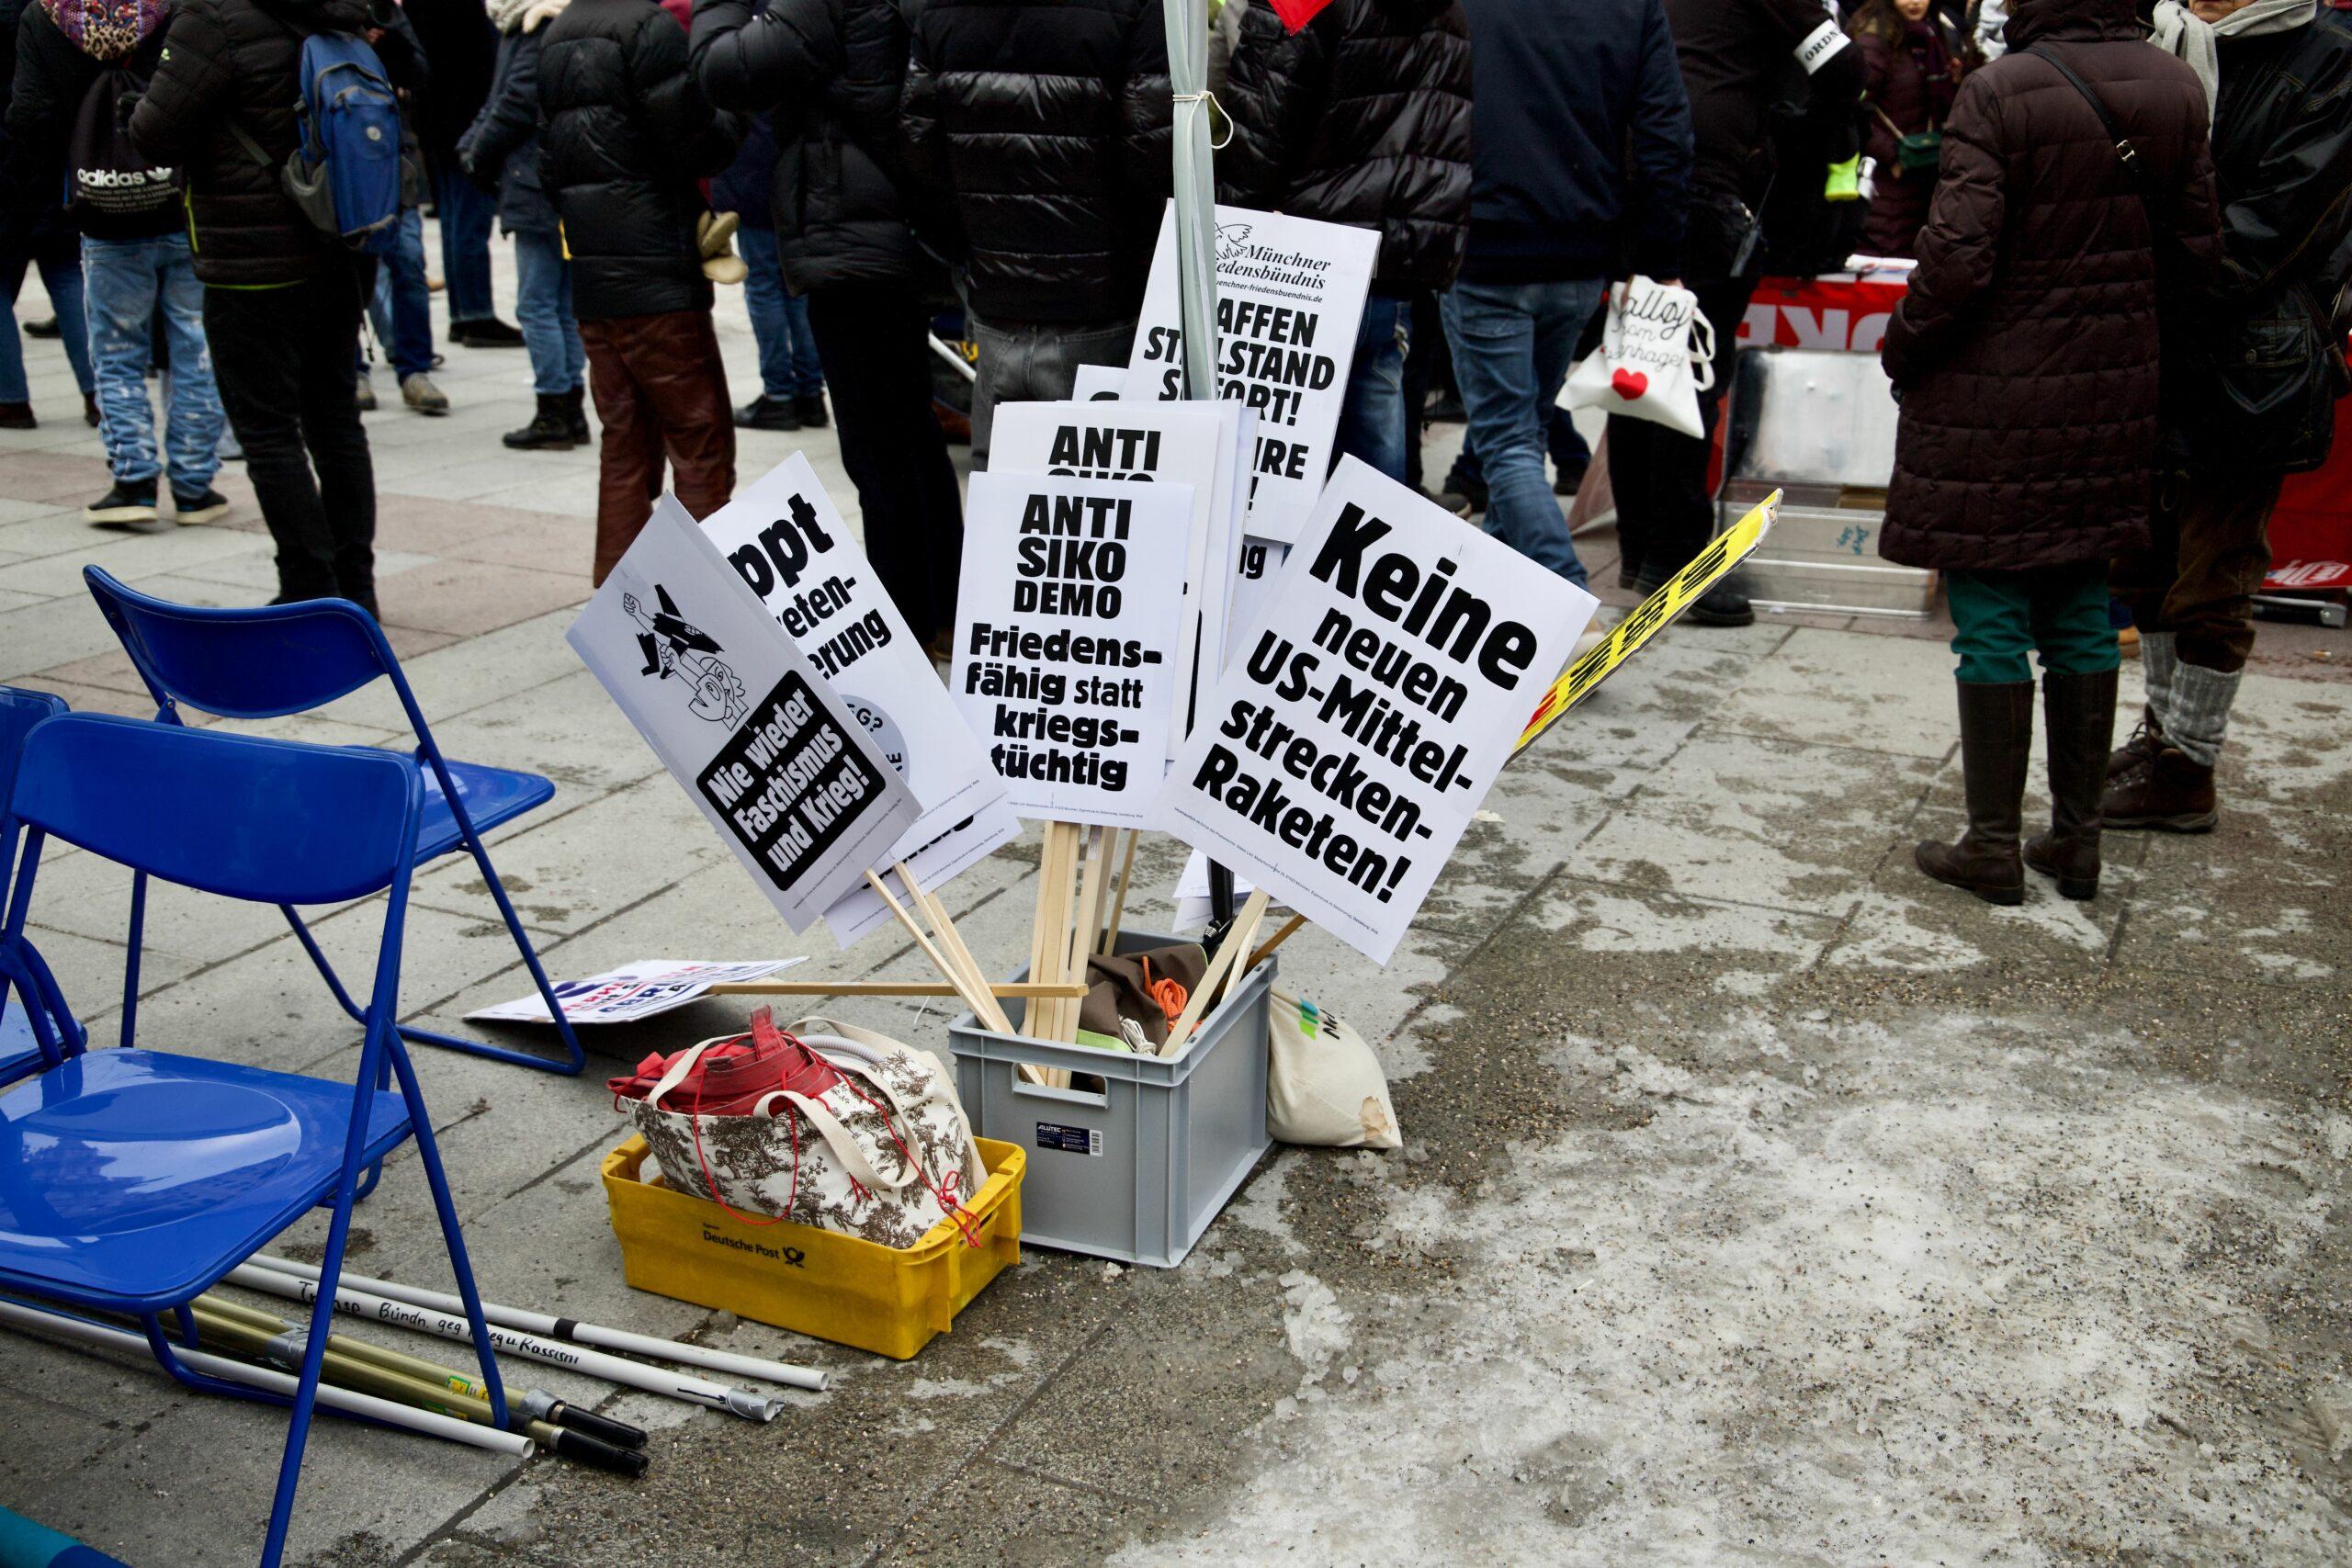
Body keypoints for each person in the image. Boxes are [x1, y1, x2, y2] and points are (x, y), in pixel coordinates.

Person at [1878, 0, 2221, 906]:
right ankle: (2076, 842)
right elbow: (2196, 258)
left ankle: (1991, 844)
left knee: (1989, 606)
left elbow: (1956, 256)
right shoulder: (2177, 87)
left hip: (1997, 397)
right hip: (2113, 395)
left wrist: (1903, 344)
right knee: (2078, 603)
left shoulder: (1998, 92)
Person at [2108, 0, 2352, 831]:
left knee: (2215, 567)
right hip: (2153, 342)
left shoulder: (2330, 55)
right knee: (2146, 560)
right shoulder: (2151, 34)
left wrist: (2143, 276)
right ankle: (2163, 738)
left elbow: (2281, 226)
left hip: (2253, 353)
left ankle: (2188, 768)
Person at [691, 0, 966, 646]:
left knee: (879, 447)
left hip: (853, 234)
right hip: (888, 225)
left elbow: (719, 68)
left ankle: (907, 623)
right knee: (908, 432)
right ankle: (944, 606)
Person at [130, 0, 386, 613]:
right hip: (337, 242)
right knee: (336, 422)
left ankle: (307, 585)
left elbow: (153, 133)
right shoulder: (339, 10)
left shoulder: (213, 19)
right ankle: (357, 585)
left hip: (251, 263)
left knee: (269, 431)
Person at [1621, 0, 1866, 621]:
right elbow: (1841, 67)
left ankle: (1643, 548)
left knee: (1642, 358)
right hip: (1706, 177)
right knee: (1696, 366)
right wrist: (1804, 134)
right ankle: (1677, 559)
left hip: (1639, 164)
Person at [1431, 0, 1690, 587]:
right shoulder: (1633, 8)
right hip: (1577, 248)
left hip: (1486, 246)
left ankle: (1567, 598)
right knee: (1520, 434)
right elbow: (1664, 134)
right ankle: (1504, 600)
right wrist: (1659, 257)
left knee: (1509, 442)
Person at [899, 0, 1171, 468]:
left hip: (998, 293)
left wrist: (975, 245)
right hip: (1097, 298)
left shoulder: (937, 9)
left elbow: (919, 145)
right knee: (1089, 505)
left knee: (1003, 505)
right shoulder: (1137, 8)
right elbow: (1151, 153)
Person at [1218, 0, 1472, 484]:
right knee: (1371, 467)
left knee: (1271, 468)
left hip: (1294, 265)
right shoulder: (1451, 11)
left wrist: (1231, 238)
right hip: (1389, 261)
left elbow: (1258, 128)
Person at [537, 0, 742, 581]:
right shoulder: (647, 29)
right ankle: (715, 607)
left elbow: (548, 162)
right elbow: (699, 143)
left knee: (624, 441)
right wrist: (738, 110)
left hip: (596, 275)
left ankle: (620, 607)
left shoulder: (560, 30)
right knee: (699, 440)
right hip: (656, 276)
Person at [8, 0, 229, 523]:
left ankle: (133, 483)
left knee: (114, 348)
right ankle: (196, 486)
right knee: (195, 343)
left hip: (103, 206)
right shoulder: (183, 9)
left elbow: (29, 116)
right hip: (181, 202)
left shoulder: (45, 16)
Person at [458, 0, 588, 447]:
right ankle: (571, 408)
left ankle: (554, 410)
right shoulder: (546, 24)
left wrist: (478, 151)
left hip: (534, 181)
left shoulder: (535, 28)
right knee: (561, 303)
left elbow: (514, 100)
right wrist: (471, 141)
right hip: (555, 180)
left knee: (537, 304)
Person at [0, 0, 96, 431]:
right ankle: (99, 397)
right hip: (61, 159)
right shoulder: (60, 11)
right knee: (65, 269)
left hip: (10, 163)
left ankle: (10, 401)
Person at [405, 0, 523, 344]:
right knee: (469, 220)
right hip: (464, 120)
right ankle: (475, 315)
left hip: (435, 120)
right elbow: (478, 61)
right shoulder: (461, 10)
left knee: (455, 220)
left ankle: (464, 314)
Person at [355, 0, 447, 416]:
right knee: (350, 270)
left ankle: (414, 369)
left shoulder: (388, 13)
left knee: (408, 263)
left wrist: (390, 41)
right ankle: (352, 370)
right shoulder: (320, 18)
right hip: (344, 161)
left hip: (394, 158)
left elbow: (421, 75)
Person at [711, 107, 827, 433]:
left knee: (765, 288)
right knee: (796, 290)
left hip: (756, 180)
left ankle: (779, 394)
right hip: (796, 180)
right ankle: (809, 392)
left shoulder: (747, 61)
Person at [1852, 0, 1979, 258]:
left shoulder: (1932, 36)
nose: (1914, 1)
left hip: (1922, 182)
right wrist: (1892, 155)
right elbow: (1851, 110)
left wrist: (1954, 82)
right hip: (1884, 187)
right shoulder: (1874, 40)